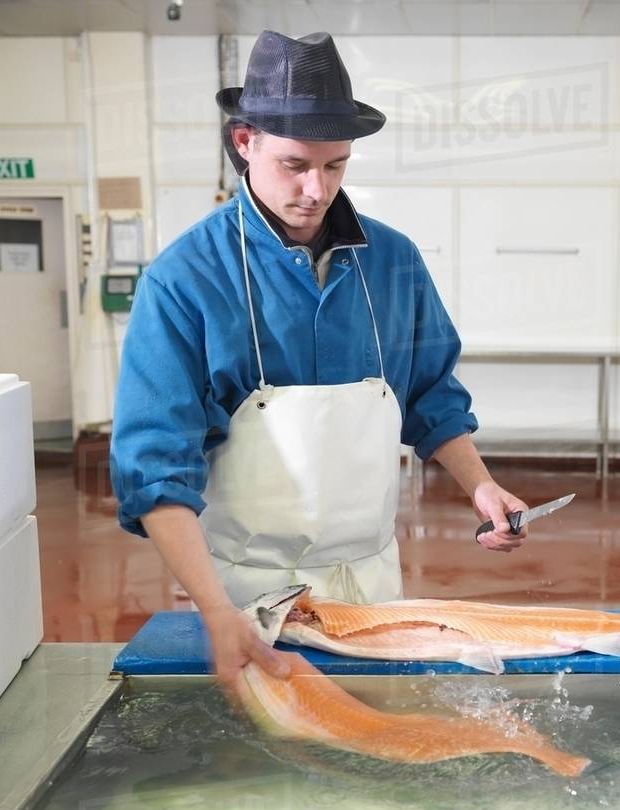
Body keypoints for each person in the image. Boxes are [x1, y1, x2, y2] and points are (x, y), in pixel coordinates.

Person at [110, 30, 529, 696]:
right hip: (244, 596)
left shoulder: (392, 263)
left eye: (335, 166)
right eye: (295, 164)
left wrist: (481, 486)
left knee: (374, 751)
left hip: (371, 585)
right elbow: (155, 469)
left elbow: (431, 395)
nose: (316, 188)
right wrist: (218, 612)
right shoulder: (186, 279)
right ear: (245, 142)